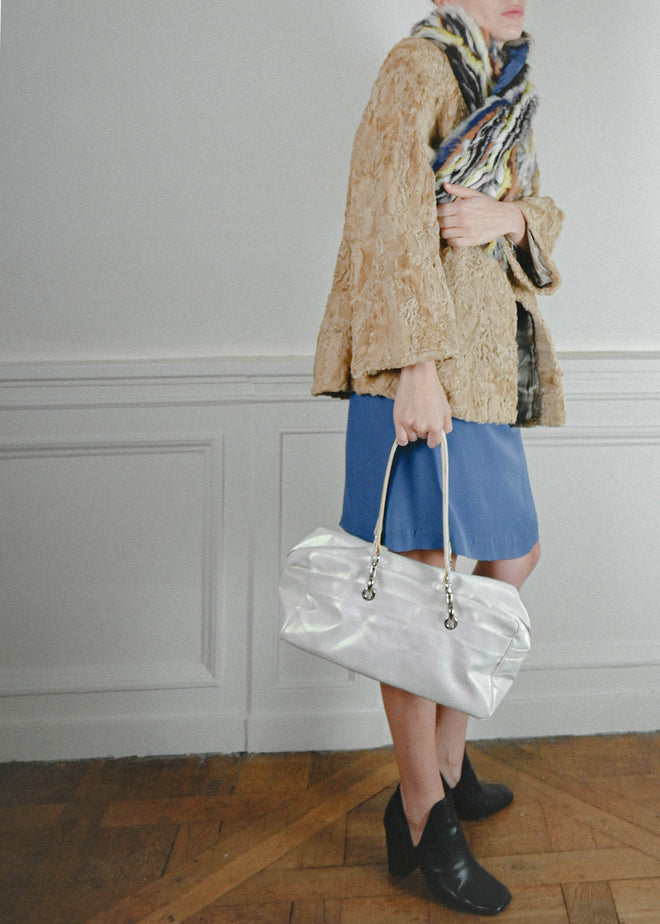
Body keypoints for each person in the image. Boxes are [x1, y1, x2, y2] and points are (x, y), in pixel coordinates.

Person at [312, 0, 565, 916]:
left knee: (510, 556)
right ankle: (424, 812)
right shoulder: (414, 67)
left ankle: (445, 766)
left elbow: (541, 210)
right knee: (419, 586)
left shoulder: (507, 82)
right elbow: (384, 223)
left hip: (487, 367)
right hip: (419, 367)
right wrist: (414, 370)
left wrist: (508, 214)